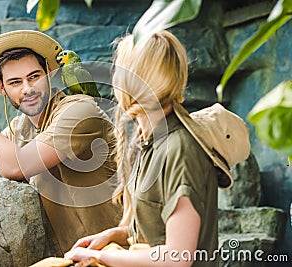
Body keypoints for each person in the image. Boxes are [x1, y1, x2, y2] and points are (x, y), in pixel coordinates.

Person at [64, 30, 250, 266]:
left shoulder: (180, 149)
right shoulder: (149, 141)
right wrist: (114, 235)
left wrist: (101, 257)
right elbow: (156, 230)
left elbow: (178, 257)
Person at [0, 30, 121, 254]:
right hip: (74, 258)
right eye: (15, 82)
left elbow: (16, 166)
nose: (27, 89)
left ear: (50, 74)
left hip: (118, 253)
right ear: (2, 89)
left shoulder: (81, 111)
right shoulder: (18, 129)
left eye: (34, 77)